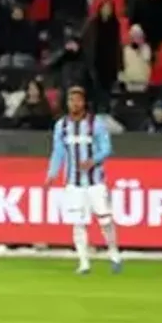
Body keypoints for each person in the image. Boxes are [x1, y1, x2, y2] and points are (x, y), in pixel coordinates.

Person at [45, 86, 122, 275]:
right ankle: (84, 262)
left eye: (78, 100)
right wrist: (52, 173)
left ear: (84, 103)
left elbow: (106, 148)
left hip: (95, 182)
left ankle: (114, 254)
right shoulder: (62, 125)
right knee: (78, 222)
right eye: (71, 100)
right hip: (73, 183)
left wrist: (93, 161)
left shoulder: (96, 124)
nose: (75, 104)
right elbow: (58, 151)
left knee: (105, 220)